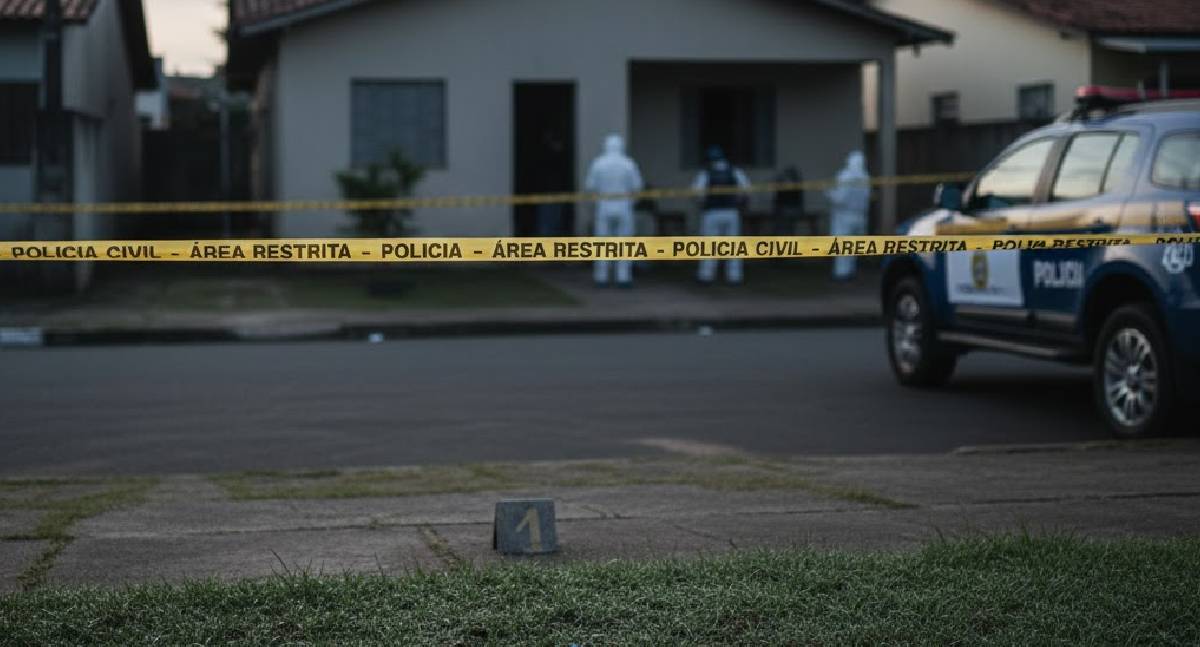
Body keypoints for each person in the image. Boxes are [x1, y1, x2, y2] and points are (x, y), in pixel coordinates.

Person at [585, 134, 643, 287]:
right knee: (624, 243)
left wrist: (595, 202)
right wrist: (632, 202)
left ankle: (601, 277)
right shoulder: (629, 164)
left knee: (602, 243)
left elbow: (590, 186)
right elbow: (637, 186)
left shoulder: (598, 163)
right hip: (624, 207)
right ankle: (623, 278)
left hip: (604, 206)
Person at [693, 146, 751, 285]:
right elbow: (747, 190)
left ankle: (706, 276)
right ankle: (734, 277)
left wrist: (702, 203)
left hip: (712, 212)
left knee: (709, 246)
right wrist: (739, 202)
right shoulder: (735, 171)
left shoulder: (705, 173)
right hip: (731, 212)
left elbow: (697, 193)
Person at [826, 151, 871, 281]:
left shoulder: (845, 176)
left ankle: (841, 274)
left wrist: (828, 193)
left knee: (842, 247)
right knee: (853, 247)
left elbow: (840, 199)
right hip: (860, 217)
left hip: (844, 217)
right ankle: (851, 272)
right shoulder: (865, 177)